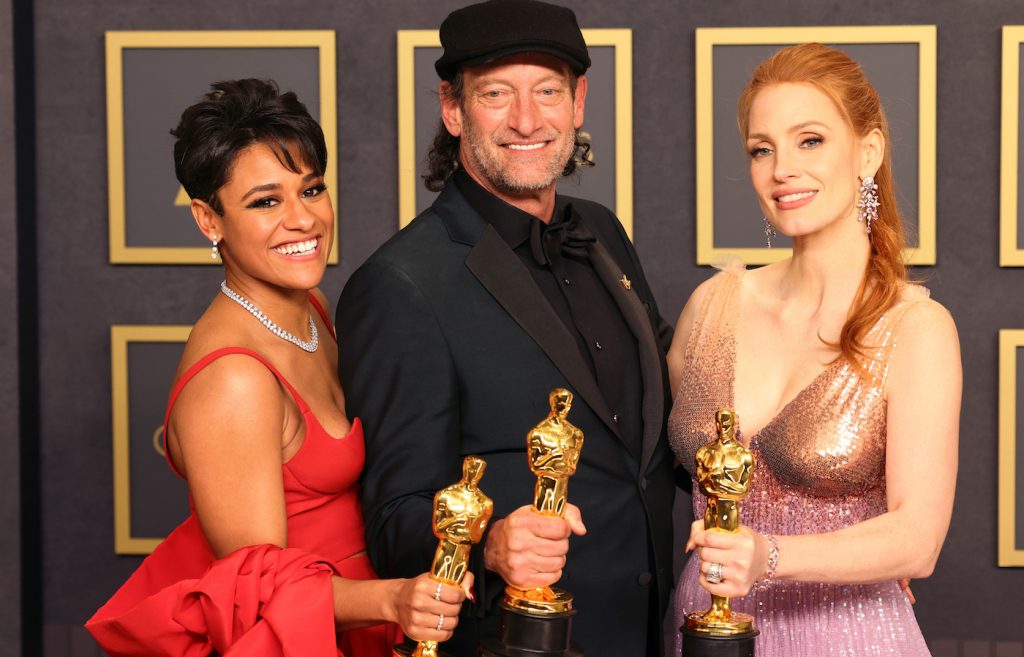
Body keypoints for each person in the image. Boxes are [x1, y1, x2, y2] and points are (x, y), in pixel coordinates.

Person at [336, 1, 677, 654]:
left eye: (547, 90)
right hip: (511, 640)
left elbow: (658, 426)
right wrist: (490, 543)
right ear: (453, 108)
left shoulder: (602, 230)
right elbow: (392, 520)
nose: (527, 119)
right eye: (497, 93)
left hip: (644, 632)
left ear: (577, 101)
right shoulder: (401, 284)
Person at [86, 79, 469, 657]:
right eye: (266, 201)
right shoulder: (234, 379)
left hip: (371, 617)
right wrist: (391, 601)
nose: (302, 219)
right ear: (207, 220)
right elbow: (259, 593)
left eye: (311, 190)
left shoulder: (308, 307)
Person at [667, 43, 961, 656]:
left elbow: (918, 538)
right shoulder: (711, 306)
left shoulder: (915, 327)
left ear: (869, 151)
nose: (781, 170)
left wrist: (771, 555)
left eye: (810, 141)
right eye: (761, 149)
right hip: (700, 632)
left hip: (846, 637)